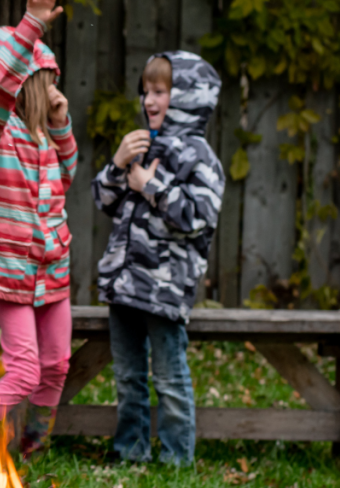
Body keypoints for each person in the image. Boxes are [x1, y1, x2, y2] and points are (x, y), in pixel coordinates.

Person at [0, 0, 76, 460]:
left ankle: (30, 449)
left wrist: (61, 125)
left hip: (52, 268)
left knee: (56, 366)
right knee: (24, 372)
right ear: (24, 86)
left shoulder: (42, 134)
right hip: (9, 269)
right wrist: (33, 26)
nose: (51, 93)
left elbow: (66, 178)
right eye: (43, 85)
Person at [92, 51, 224, 465]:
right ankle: (129, 450)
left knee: (169, 378)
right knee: (128, 376)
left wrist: (152, 185)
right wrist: (117, 165)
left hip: (165, 289)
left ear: (186, 96)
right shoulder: (141, 147)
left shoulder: (201, 158)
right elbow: (104, 200)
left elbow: (197, 218)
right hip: (125, 284)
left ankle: (176, 456)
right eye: (146, 91)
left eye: (160, 91)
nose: (149, 100)